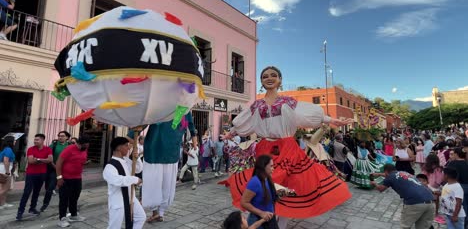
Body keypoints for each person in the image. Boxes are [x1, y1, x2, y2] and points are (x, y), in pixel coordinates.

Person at [221, 66, 352, 228]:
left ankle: (280, 223)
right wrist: (230, 134)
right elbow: (245, 120)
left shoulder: (288, 102)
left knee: (288, 185)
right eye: (265, 76)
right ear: (261, 81)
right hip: (265, 147)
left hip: (286, 147)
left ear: (280, 80)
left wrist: (331, 120)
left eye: (273, 75)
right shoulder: (257, 105)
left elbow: (305, 114)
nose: (269, 78)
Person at [129, 112, 197, 223]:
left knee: (161, 184)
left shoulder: (183, 106)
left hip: (165, 151)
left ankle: (158, 213)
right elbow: (147, 119)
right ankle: (158, 213)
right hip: (158, 150)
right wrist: (132, 135)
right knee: (159, 183)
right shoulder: (171, 103)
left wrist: (131, 135)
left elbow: (189, 123)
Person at [371, 164, 435, 229]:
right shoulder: (403, 172)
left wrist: (374, 183)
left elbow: (381, 189)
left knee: (405, 226)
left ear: (386, 171)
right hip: (431, 201)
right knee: (424, 227)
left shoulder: (390, 177)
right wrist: (379, 174)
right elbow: (390, 175)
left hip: (415, 203)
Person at [103, 137, 145, 229]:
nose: (128, 148)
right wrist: (135, 179)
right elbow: (117, 180)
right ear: (118, 148)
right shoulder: (109, 166)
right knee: (114, 226)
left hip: (131, 197)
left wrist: (136, 158)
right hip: (118, 201)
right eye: (126, 146)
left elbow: (138, 169)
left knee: (141, 217)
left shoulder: (126, 160)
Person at [16, 134, 52, 221]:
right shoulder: (31, 149)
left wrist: (38, 159)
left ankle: (32, 208)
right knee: (27, 192)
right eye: (35, 139)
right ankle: (20, 212)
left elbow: (50, 160)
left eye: (37, 140)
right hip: (31, 174)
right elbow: (31, 161)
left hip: (42, 173)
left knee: (36, 192)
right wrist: (43, 160)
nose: (35, 141)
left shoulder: (48, 149)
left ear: (43, 140)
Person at [56, 136, 90, 227]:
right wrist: (59, 177)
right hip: (65, 178)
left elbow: (81, 160)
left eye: (87, 146)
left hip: (77, 177)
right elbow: (59, 163)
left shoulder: (84, 149)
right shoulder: (69, 149)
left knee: (75, 197)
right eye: (85, 146)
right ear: (79, 143)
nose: (86, 147)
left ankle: (73, 215)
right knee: (64, 198)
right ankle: (62, 218)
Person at [240, 155, 278, 228]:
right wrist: (261, 213)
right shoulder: (255, 182)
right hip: (258, 222)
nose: (273, 169)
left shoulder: (267, 178)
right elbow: (244, 202)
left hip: (269, 219)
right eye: (271, 166)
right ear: (263, 167)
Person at [41, 131, 71, 212]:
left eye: (62, 136)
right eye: (59, 136)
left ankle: (67, 204)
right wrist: (55, 166)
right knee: (50, 187)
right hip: (54, 170)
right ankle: (45, 204)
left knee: (66, 188)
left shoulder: (70, 146)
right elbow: (48, 156)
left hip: (66, 170)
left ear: (67, 137)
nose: (60, 137)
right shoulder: (53, 145)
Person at [446, 148, 468, 227]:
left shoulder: (453, 163)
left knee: (460, 206)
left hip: (459, 187)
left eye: (453, 154)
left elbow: (447, 175)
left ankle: (462, 224)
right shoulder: (466, 162)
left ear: (456, 154)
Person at [0, 136, 16, 209]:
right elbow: (6, 160)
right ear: (11, 141)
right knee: (5, 188)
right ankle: (2, 203)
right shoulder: (8, 149)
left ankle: (3, 203)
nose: (15, 142)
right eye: (14, 140)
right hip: (5, 169)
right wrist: (7, 172)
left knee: (3, 187)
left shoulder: (4, 149)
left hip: (2, 168)